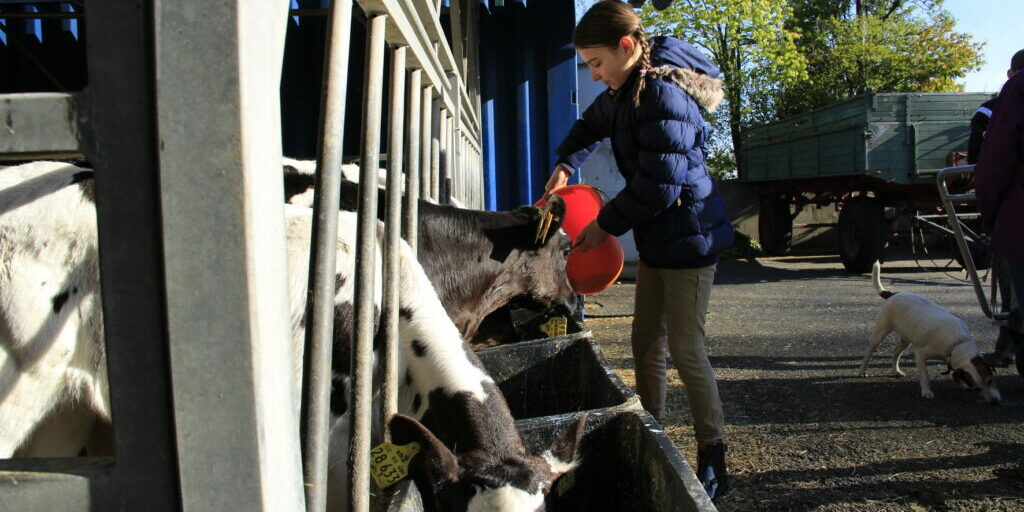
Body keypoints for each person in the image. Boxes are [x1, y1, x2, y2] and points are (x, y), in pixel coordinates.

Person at [543, 0, 734, 500]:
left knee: (688, 351)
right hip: (658, 239)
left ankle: (714, 453)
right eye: (588, 66)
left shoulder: (663, 96)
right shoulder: (625, 88)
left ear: (627, 47)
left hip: (691, 240)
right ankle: (653, 432)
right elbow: (591, 123)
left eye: (597, 63)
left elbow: (660, 183)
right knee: (646, 340)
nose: (595, 75)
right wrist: (567, 161)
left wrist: (604, 226)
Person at [971, 49, 1024, 365]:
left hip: (1018, 216)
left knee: (1013, 290)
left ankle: (1008, 347)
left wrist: (990, 212)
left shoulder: (1014, 91)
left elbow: (993, 160)